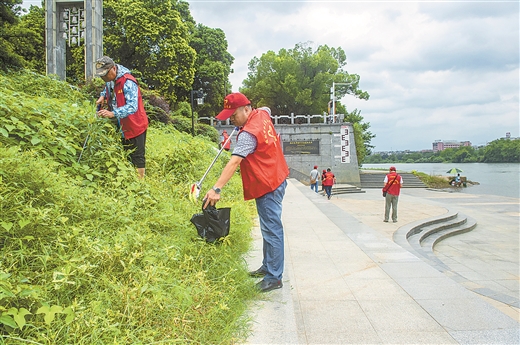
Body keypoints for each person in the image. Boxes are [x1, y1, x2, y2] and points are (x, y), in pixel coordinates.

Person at [203, 92, 289, 292]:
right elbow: (266, 109)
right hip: (276, 176)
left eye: (233, 115)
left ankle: (274, 277)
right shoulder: (261, 114)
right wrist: (240, 124)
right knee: (268, 228)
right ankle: (268, 266)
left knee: (272, 229)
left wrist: (216, 188)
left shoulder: (248, 135)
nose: (231, 119)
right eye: (229, 117)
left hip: (268, 185)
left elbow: (234, 162)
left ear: (246, 109)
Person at [95, 56, 149, 179]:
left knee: (137, 156)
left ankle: (140, 185)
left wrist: (113, 113)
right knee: (125, 153)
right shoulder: (110, 80)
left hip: (135, 124)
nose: (103, 78)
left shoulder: (128, 82)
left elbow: (132, 106)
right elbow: (107, 88)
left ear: (113, 69)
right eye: (101, 76)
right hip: (121, 124)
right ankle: (128, 179)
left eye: (105, 75)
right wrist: (103, 96)